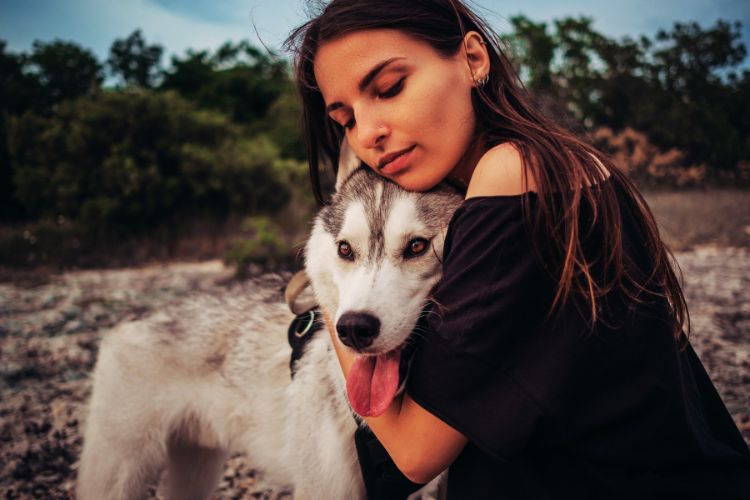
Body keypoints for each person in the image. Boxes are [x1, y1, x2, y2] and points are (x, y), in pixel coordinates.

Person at [286, 0, 750, 498]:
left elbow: (414, 452)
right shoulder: (564, 161)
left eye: (390, 88)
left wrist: (330, 292)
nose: (369, 133)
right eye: (346, 118)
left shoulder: (510, 175)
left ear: (473, 59)